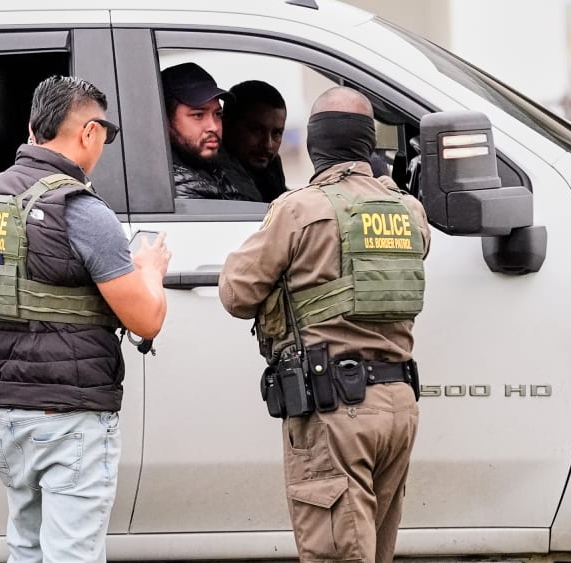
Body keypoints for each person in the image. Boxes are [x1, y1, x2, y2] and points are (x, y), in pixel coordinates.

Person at [0, 75, 170, 563]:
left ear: (32, 127)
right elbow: (146, 321)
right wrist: (150, 272)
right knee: (72, 556)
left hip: (6, 413)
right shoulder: (80, 209)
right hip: (70, 416)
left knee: (27, 549)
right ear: (90, 131)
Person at [218, 87, 430, 563]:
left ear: (316, 146)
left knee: (335, 553)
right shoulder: (410, 212)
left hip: (336, 411)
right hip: (398, 407)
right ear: (365, 145)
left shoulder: (300, 210)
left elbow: (236, 294)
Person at [162, 62, 260, 201]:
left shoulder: (212, 164)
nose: (214, 127)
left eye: (217, 114)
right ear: (165, 120)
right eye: (198, 115)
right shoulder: (179, 188)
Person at [221, 80, 288, 202]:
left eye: (276, 133)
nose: (268, 145)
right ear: (226, 125)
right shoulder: (211, 179)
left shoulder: (271, 169)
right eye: (256, 130)